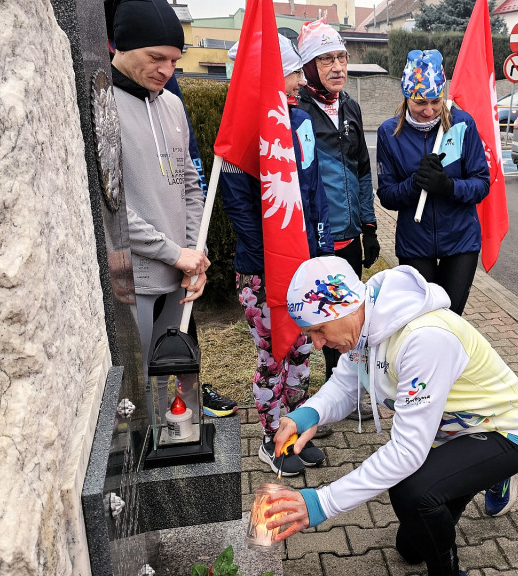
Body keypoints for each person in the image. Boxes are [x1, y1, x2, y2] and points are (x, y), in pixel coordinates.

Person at [264, 256, 518, 576]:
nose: (317, 344)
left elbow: (407, 453)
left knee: (413, 493)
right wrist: (305, 415)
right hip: (454, 433)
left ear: (344, 306)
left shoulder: (423, 339)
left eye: (318, 330)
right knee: (410, 548)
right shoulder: (362, 322)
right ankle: (481, 473)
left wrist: (322, 503)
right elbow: (344, 384)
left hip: (505, 431)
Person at [103, 0, 238, 419]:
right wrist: (173, 252)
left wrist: (195, 255)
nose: (166, 70)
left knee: (176, 391)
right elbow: (109, 205)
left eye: (175, 60)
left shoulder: (172, 105)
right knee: (134, 398)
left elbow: (190, 187)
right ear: (120, 47)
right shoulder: (100, 106)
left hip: (179, 276)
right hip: (133, 282)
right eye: (155, 57)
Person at [220, 34, 336, 476]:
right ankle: (272, 439)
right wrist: (271, 261)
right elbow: (242, 209)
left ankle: (294, 429)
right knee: (273, 356)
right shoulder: (241, 132)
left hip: (305, 264)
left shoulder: (301, 119)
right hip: (263, 269)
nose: (297, 81)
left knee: (304, 348)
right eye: (289, 72)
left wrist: (321, 250)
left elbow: (314, 191)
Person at [294, 18, 379, 384]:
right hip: (316, 238)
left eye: (341, 57)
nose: (338, 67)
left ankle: (349, 382)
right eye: (326, 59)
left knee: (348, 316)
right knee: (323, 318)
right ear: (309, 67)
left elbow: (362, 171)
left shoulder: (351, 107)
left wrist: (370, 226)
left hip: (349, 234)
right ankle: (332, 384)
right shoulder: (296, 109)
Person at [376, 50, 491, 315]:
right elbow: (387, 195)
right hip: (415, 242)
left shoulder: (463, 124)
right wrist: (415, 183)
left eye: (435, 101)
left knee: (450, 320)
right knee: (422, 320)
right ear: (407, 97)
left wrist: (448, 187)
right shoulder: (388, 133)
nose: (429, 111)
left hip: (460, 240)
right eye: (420, 102)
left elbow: (481, 183)